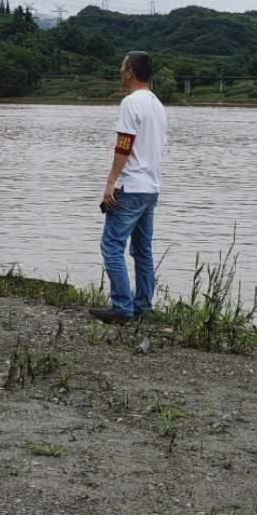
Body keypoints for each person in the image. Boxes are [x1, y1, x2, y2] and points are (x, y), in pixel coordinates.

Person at [91, 51, 168, 324]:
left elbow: (124, 144)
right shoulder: (157, 104)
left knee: (111, 245)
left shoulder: (130, 103)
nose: (120, 72)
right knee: (143, 250)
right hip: (151, 188)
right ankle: (143, 306)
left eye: (123, 67)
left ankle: (122, 306)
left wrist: (111, 181)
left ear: (130, 72)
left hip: (131, 186)